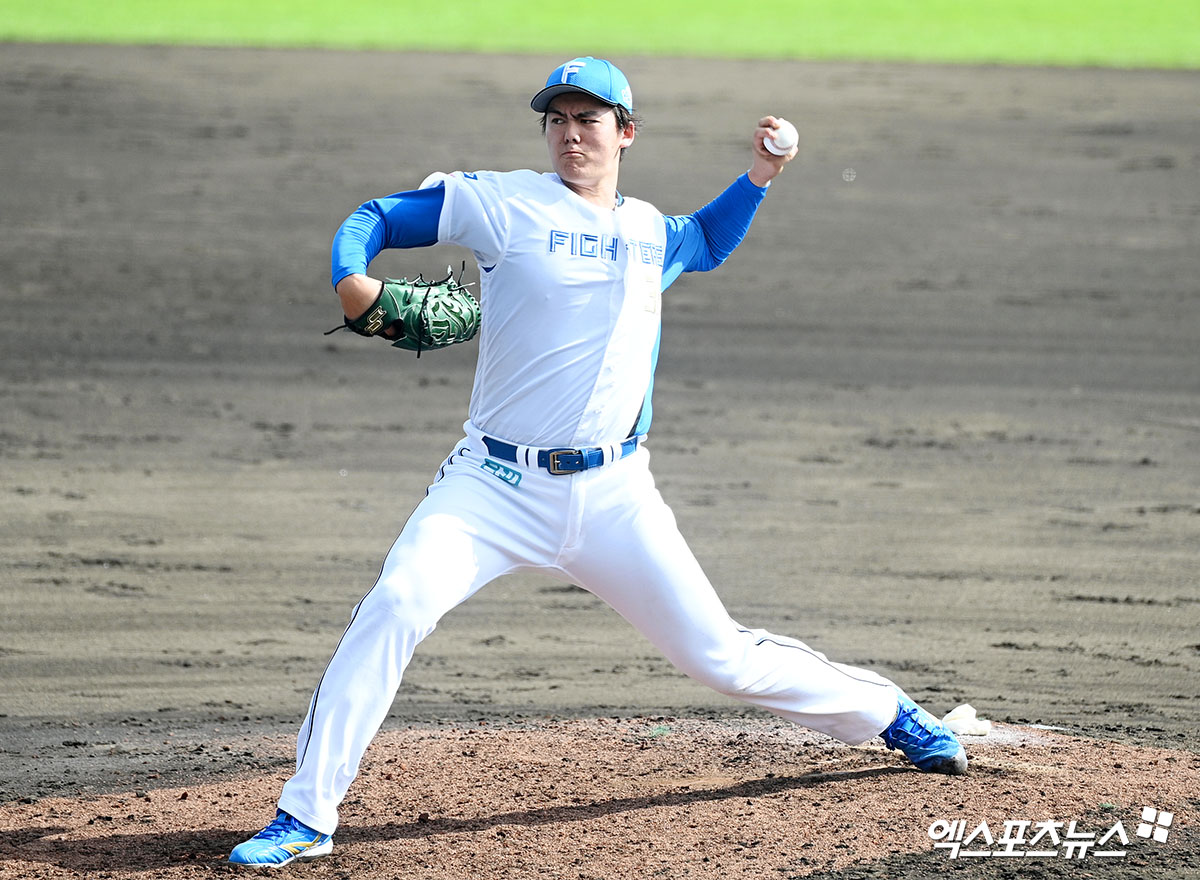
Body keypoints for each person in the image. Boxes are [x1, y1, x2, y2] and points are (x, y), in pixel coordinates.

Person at [228, 56, 966, 868]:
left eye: (589, 119)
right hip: (492, 486)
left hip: (615, 495)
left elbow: (705, 240)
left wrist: (760, 175)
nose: (571, 134)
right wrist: (350, 277)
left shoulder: (649, 232)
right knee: (396, 603)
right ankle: (305, 816)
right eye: (558, 120)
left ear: (626, 133)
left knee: (720, 657)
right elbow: (376, 217)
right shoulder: (503, 203)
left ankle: (889, 713)